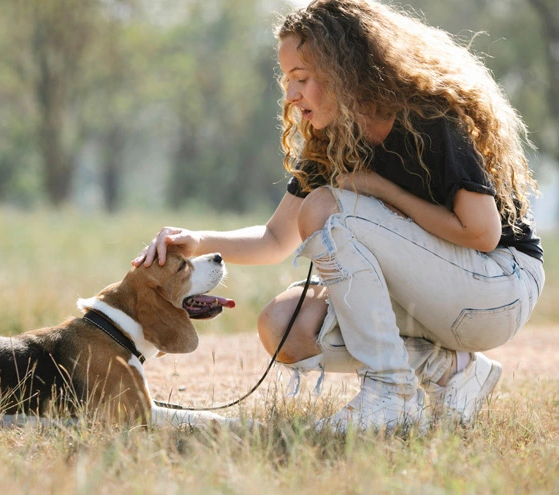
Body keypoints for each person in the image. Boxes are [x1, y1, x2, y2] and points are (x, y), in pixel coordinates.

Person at [132, 0, 544, 433]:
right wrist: (197, 241)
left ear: (344, 70)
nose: (291, 95)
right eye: (287, 80)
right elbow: (274, 240)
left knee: (327, 207)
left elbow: (480, 233)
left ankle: (391, 395)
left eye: (301, 79)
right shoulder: (332, 139)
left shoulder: (429, 117)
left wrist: (379, 188)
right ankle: (452, 371)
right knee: (284, 326)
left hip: (498, 290)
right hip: (437, 298)